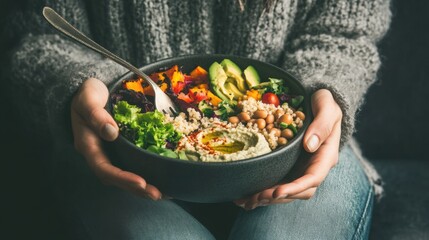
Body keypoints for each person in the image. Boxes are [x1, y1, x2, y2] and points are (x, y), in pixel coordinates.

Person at [2, 0, 392, 239]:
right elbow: (36, 35)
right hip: (117, 156)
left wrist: (324, 90)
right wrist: (79, 86)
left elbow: (344, 32)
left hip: (296, 148)